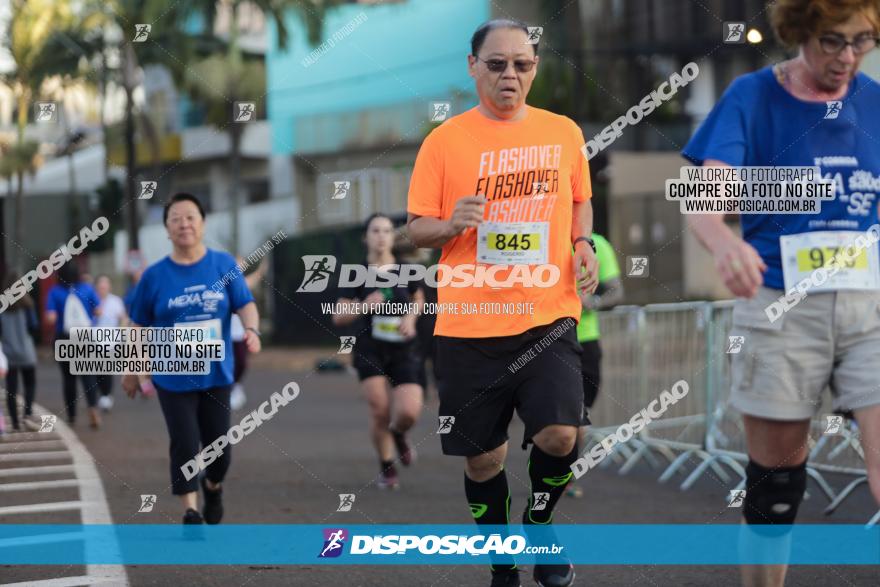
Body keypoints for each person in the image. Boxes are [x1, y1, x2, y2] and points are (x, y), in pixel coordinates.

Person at [683, 2, 880, 585]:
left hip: (870, 308)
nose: (847, 57)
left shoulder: (874, 101)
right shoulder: (751, 97)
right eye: (832, 42)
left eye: (862, 41)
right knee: (776, 487)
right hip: (779, 305)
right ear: (798, 33)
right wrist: (723, 243)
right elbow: (706, 199)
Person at [407, 19, 598, 587]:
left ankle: (539, 524)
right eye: (497, 64)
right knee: (483, 460)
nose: (510, 74)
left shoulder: (564, 131)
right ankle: (501, 557)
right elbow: (416, 228)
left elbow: (581, 201)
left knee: (563, 434)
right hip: (468, 325)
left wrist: (582, 243)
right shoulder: (444, 141)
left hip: (548, 314)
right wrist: (450, 225)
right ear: (472, 67)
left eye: (523, 64)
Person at [122, 193, 261, 525]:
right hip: (171, 375)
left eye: (190, 217)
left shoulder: (223, 265)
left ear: (202, 224)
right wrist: (132, 367)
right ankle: (191, 508)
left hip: (216, 375)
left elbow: (245, 303)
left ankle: (212, 487)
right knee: (184, 442)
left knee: (220, 452)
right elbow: (137, 325)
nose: (183, 224)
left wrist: (252, 329)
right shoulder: (154, 277)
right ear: (167, 229)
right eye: (175, 219)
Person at [332, 213, 426, 490]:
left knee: (408, 411)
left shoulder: (407, 268)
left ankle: (399, 434)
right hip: (369, 348)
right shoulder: (356, 272)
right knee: (380, 410)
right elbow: (338, 316)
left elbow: (418, 299)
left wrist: (410, 318)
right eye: (375, 230)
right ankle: (387, 467)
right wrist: (363, 305)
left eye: (387, 230)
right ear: (366, 237)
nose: (382, 235)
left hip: (404, 349)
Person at [566, 233, 623, 499]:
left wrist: (595, 302)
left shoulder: (598, 244)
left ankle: (560, 470)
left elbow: (617, 290)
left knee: (579, 418)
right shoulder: (542, 238)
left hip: (586, 339)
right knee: (562, 415)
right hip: (548, 340)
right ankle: (559, 476)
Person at [45, 263, 102, 428]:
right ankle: (93, 408)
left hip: (64, 338)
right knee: (88, 375)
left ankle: (72, 415)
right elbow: (98, 310)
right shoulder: (87, 288)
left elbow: (51, 318)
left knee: (68, 379)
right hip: (84, 337)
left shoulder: (55, 292)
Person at [1, 273, 39, 432]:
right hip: (26, 351)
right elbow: (34, 326)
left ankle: (15, 423)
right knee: (30, 383)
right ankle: (27, 414)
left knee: (11, 389)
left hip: (9, 352)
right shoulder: (27, 305)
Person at [229, 257, 268, 411]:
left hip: (240, 334)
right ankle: (229, 390)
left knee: (241, 363)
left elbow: (257, 276)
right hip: (224, 335)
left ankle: (235, 387)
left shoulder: (242, 285)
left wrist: (265, 264)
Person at [94, 275, 128, 412]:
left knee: (107, 370)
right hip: (93, 341)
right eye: (100, 286)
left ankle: (106, 396)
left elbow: (123, 318)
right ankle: (102, 394)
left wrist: (122, 333)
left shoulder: (116, 301)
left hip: (110, 342)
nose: (102, 289)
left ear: (109, 287)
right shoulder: (92, 300)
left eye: (105, 286)